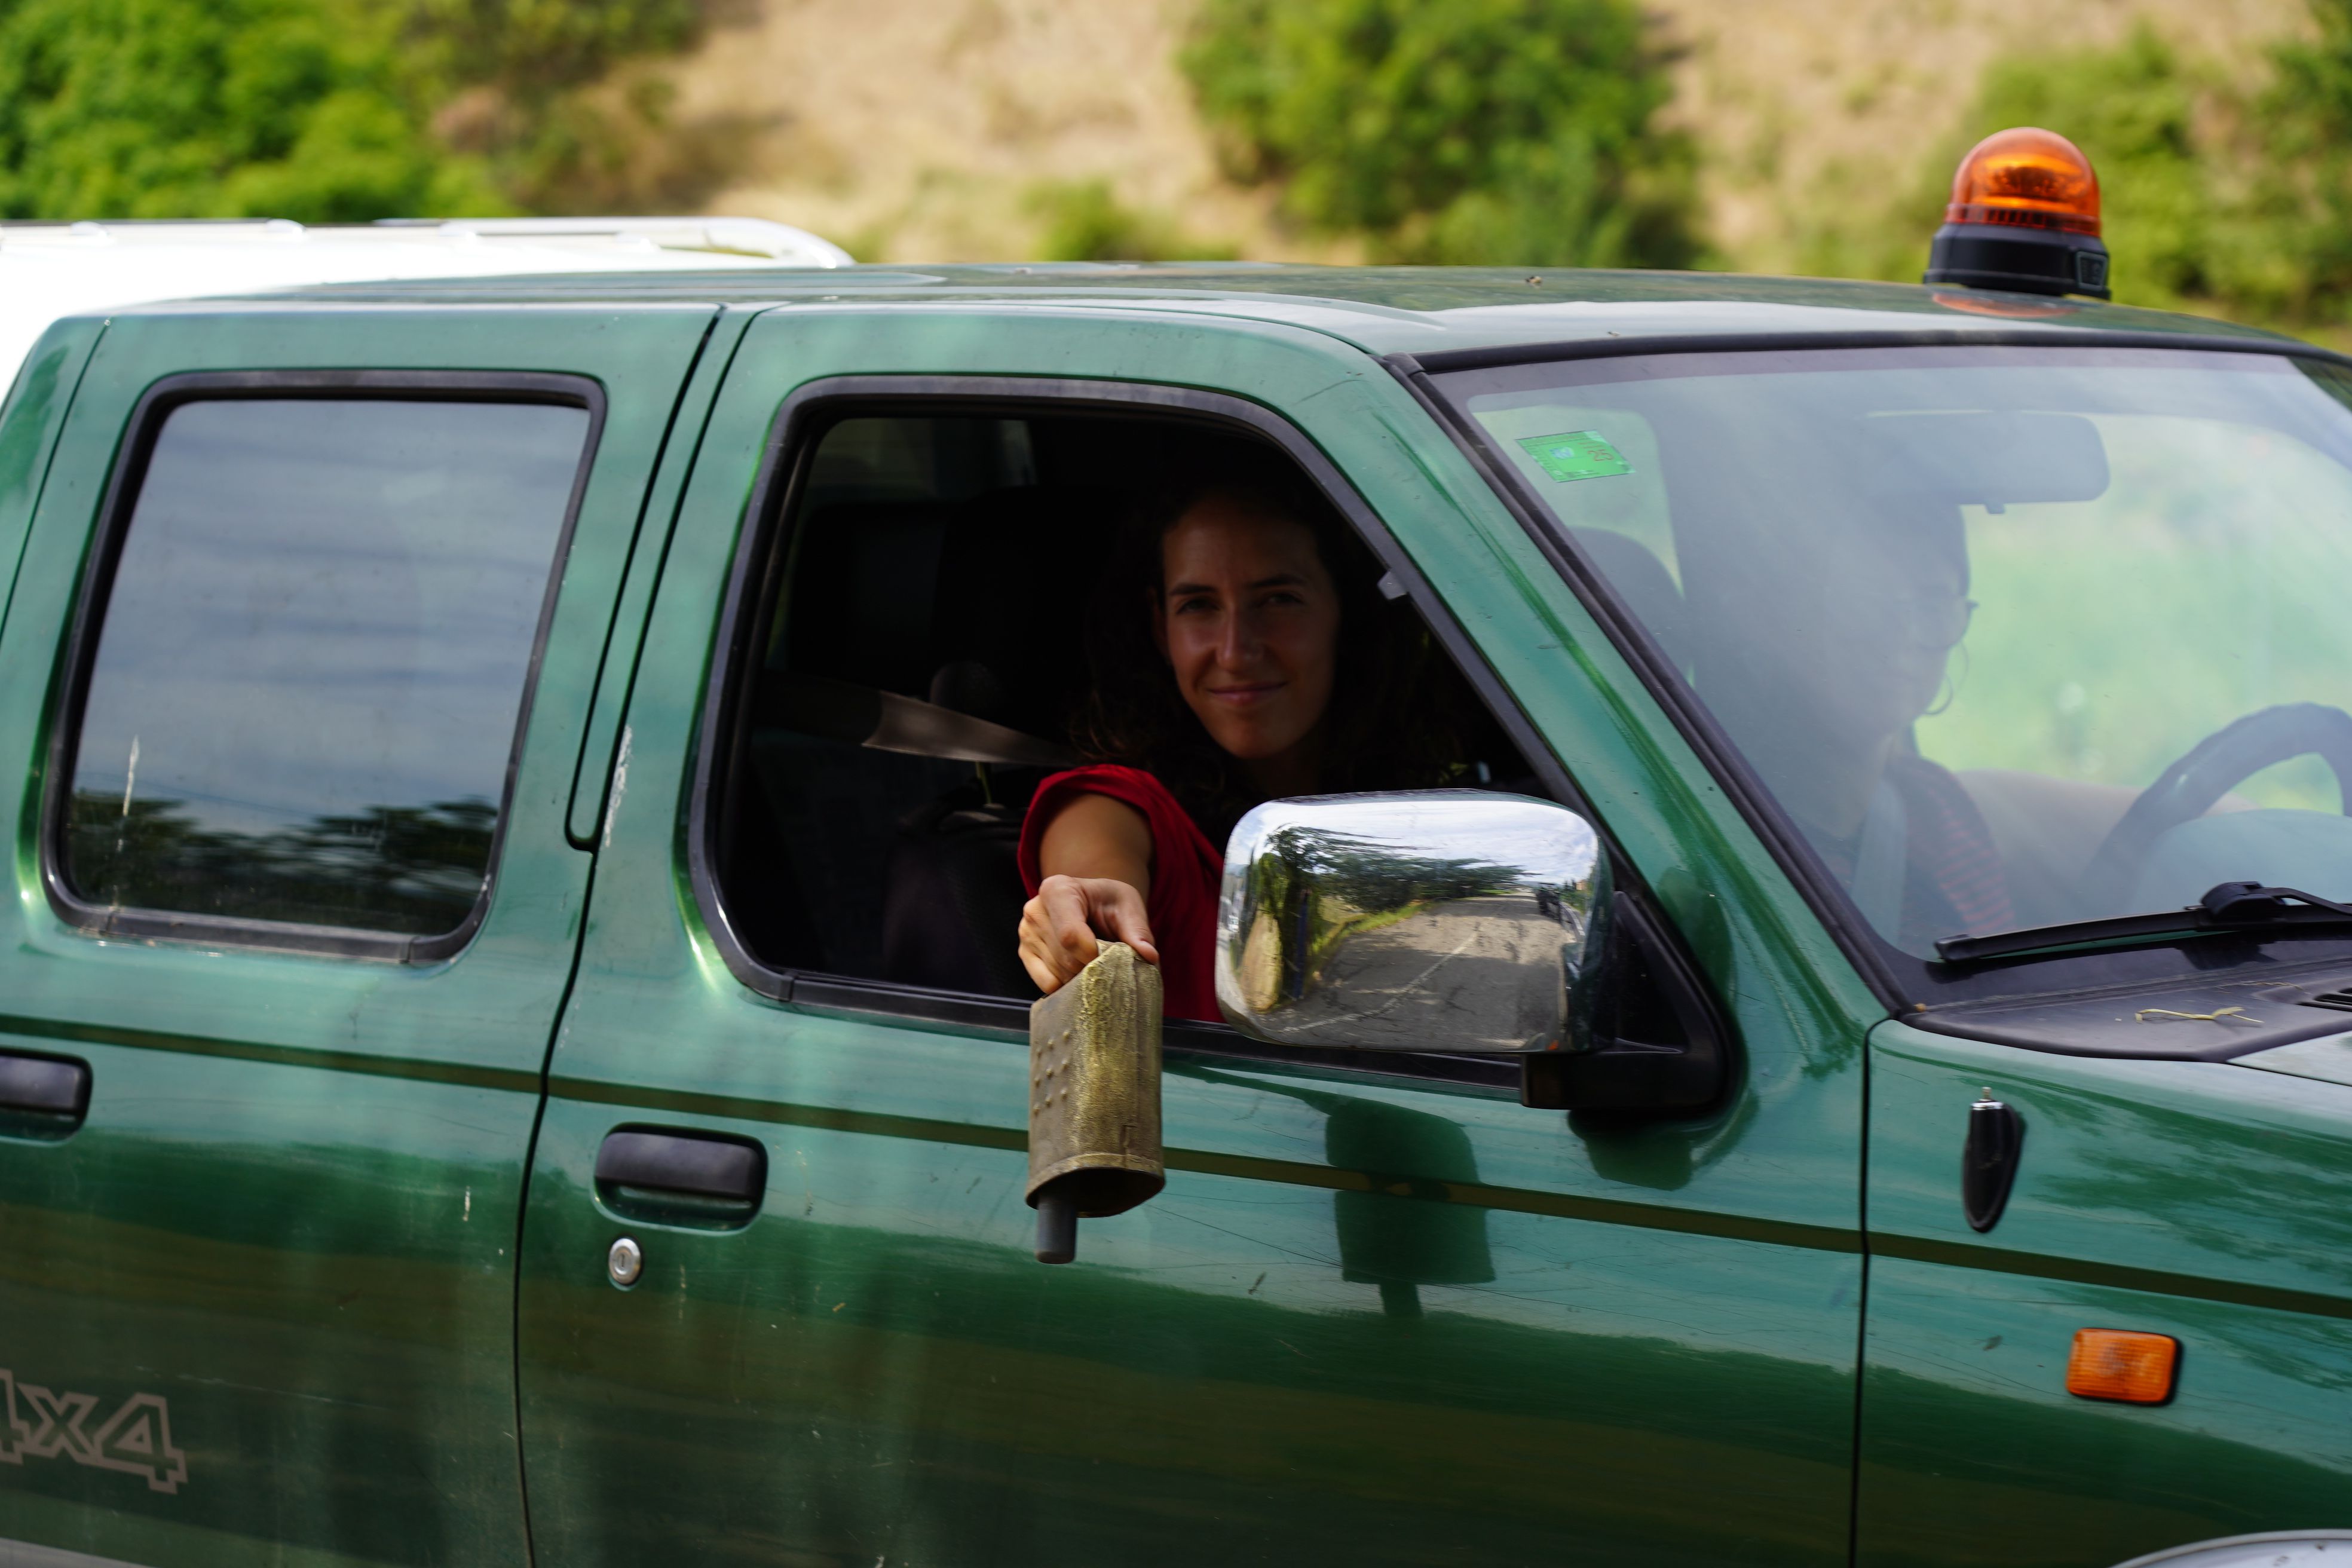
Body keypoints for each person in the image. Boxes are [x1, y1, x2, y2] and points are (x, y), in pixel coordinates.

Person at [1015, 454, 1461, 1018]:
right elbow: (1093, 875)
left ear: (1343, 611)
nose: (1236, 652)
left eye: (1278, 599)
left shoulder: (1421, 812)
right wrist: (1081, 909)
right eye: (1199, 606)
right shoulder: (1115, 805)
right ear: (1161, 627)